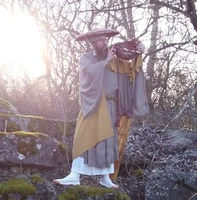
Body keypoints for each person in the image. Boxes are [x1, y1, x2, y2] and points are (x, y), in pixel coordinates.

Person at [53, 28, 149, 189]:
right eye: (101, 41)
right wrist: (106, 61)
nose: (105, 43)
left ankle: (105, 177)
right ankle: (74, 175)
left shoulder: (116, 59)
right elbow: (88, 73)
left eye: (105, 40)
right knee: (83, 137)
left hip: (111, 106)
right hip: (93, 104)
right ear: (93, 43)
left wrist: (139, 51)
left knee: (107, 141)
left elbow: (131, 70)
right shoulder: (86, 58)